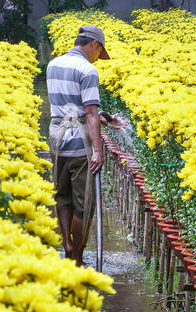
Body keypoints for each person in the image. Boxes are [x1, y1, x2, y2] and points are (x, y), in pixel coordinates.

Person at [46, 24, 119, 266]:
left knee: (62, 195)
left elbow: (69, 106)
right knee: (84, 204)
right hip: (79, 143)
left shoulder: (53, 64)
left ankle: (66, 243)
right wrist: (98, 150)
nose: (99, 58)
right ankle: (77, 253)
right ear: (94, 45)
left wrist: (104, 118)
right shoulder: (87, 70)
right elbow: (88, 112)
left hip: (57, 139)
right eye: (100, 52)